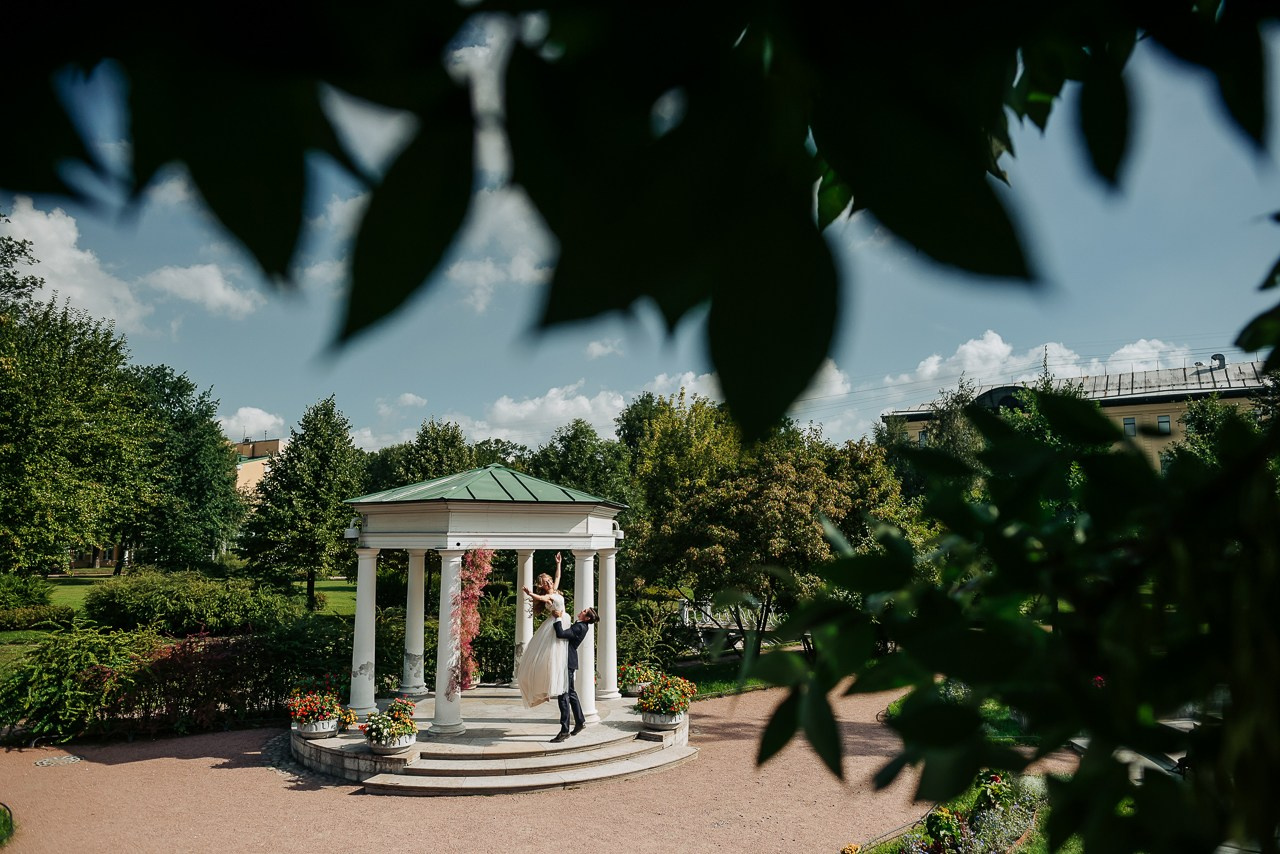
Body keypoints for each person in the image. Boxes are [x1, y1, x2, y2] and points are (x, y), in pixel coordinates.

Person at [517, 552, 569, 708]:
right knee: (552, 657)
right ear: (543, 586)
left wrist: (558, 564)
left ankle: (551, 686)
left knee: (556, 657)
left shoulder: (555, 591)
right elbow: (540, 599)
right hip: (556, 623)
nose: (550, 583)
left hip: (563, 620)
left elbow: (558, 577)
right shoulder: (548, 596)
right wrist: (529, 593)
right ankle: (548, 688)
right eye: (546, 583)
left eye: (549, 581)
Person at [548, 606, 599, 742]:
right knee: (570, 693)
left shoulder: (580, 627)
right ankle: (580, 722)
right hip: (569, 661)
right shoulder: (580, 626)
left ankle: (564, 730)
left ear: (587, 618)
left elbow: (560, 634)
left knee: (563, 696)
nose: (582, 611)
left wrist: (558, 618)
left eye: (584, 611)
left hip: (567, 662)